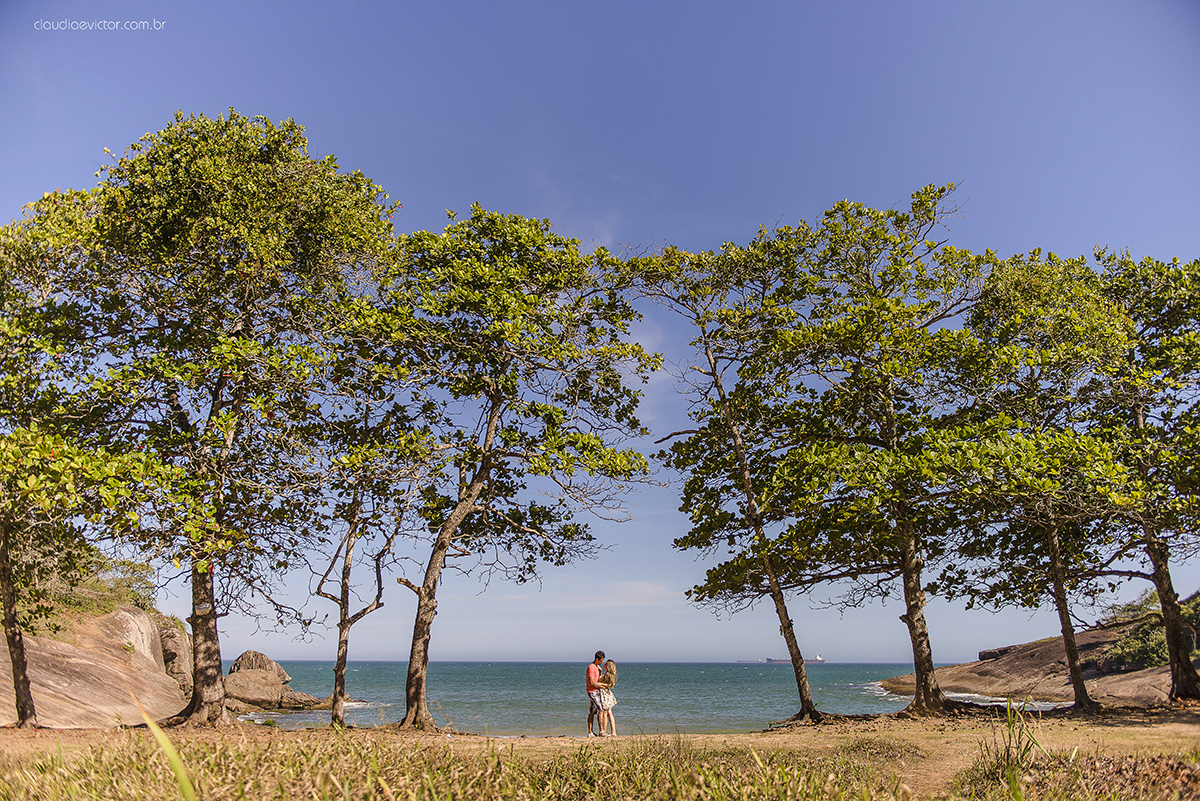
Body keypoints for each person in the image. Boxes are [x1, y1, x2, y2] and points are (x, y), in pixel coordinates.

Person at [595, 658, 618, 736]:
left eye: (605, 664)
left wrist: (600, 684)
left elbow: (610, 685)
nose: (603, 664)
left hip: (604, 694)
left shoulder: (608, 675)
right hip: (607, 694)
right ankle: (613, 731)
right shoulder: (607, 674)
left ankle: (605, 731)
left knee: (605, 713)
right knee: (609, 713)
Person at [585, 650, 605, 736]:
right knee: (601, 709)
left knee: (592, 712)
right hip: (592, 691)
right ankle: (601, 731)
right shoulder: (591, 667)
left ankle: (590, 732)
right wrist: (601, 686)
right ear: (597, 659)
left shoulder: (597, 667)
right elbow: (592, 682)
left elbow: (598, 679)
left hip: (596, 691)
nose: (601, 662)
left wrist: (601, 672)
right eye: (601, 661)